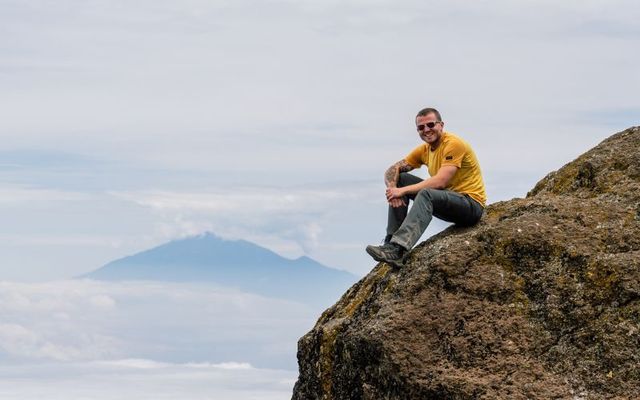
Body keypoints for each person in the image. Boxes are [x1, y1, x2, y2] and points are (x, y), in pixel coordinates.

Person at [365, 107, 486, 268]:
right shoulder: (425, 150)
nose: (426, 130)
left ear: (441, 125)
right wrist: (394, 189)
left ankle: (398, 248)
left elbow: (441, 181)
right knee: (401, 179)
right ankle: (391, 244)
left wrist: (403, 191)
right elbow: (393, 169)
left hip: (470, 205)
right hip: (448, 201)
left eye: (430, 125)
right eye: (421, 127)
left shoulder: (454, 144)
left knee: (425, 193)